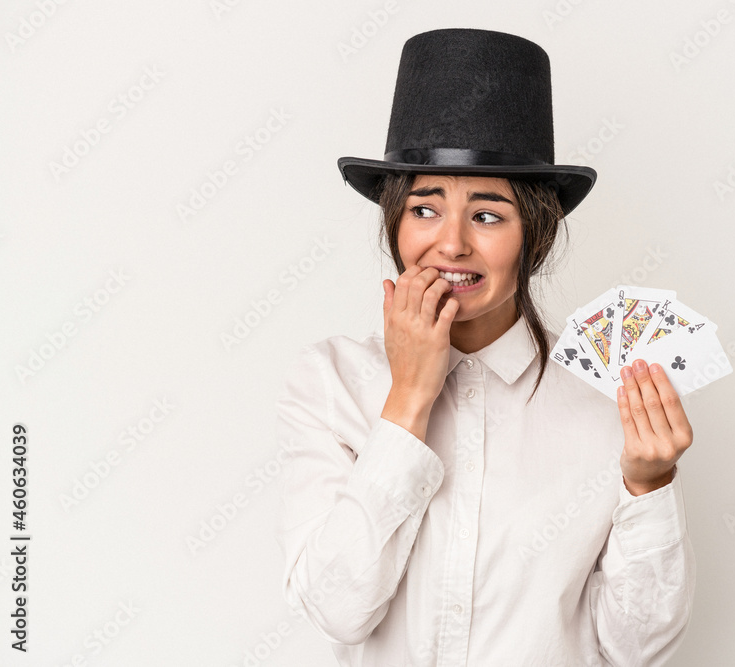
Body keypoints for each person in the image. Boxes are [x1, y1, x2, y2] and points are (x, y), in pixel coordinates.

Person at [276, 27, 696, 666]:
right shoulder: (333, 379)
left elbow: (634, 650)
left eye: (488, 214)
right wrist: (410, 399)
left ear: (535, 233)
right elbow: (337, 610)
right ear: (394, 220)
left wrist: (649, 484)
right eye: (424, 208)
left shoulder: (603, 398)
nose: (451, 244)